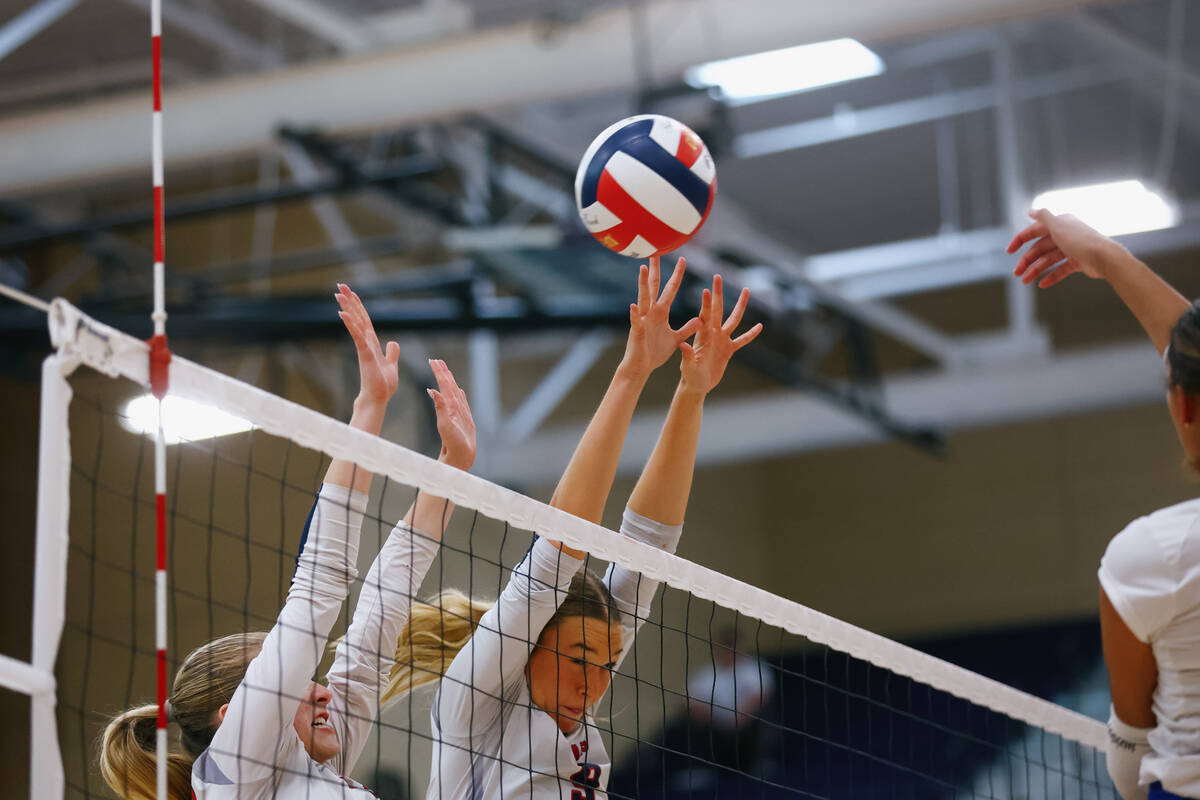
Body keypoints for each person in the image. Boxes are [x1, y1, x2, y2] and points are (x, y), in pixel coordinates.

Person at [382, 257, 762, 799]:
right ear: (529, 642)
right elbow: (560, 545)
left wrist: (691, 392)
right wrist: (632, 371)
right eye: (580, 660)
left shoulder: (570, 699)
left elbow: (649, 547)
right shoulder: (476, 702)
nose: (593, 685)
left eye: (605, 665)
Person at [98, 283, 477, 800]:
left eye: (306, 677)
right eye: (301, 680)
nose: (322, 692)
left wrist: (449, 470)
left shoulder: (310, 763)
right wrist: (368, 407)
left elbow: (378, 621)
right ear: (235, 717)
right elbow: (317, 589)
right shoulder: (236, 771)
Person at [1009, 210, 1199, 800]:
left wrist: (1109, 258)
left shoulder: (1152, 557)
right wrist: (1108, 259)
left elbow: (1128, 764)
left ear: (1184, 407)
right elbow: (1189, 359)